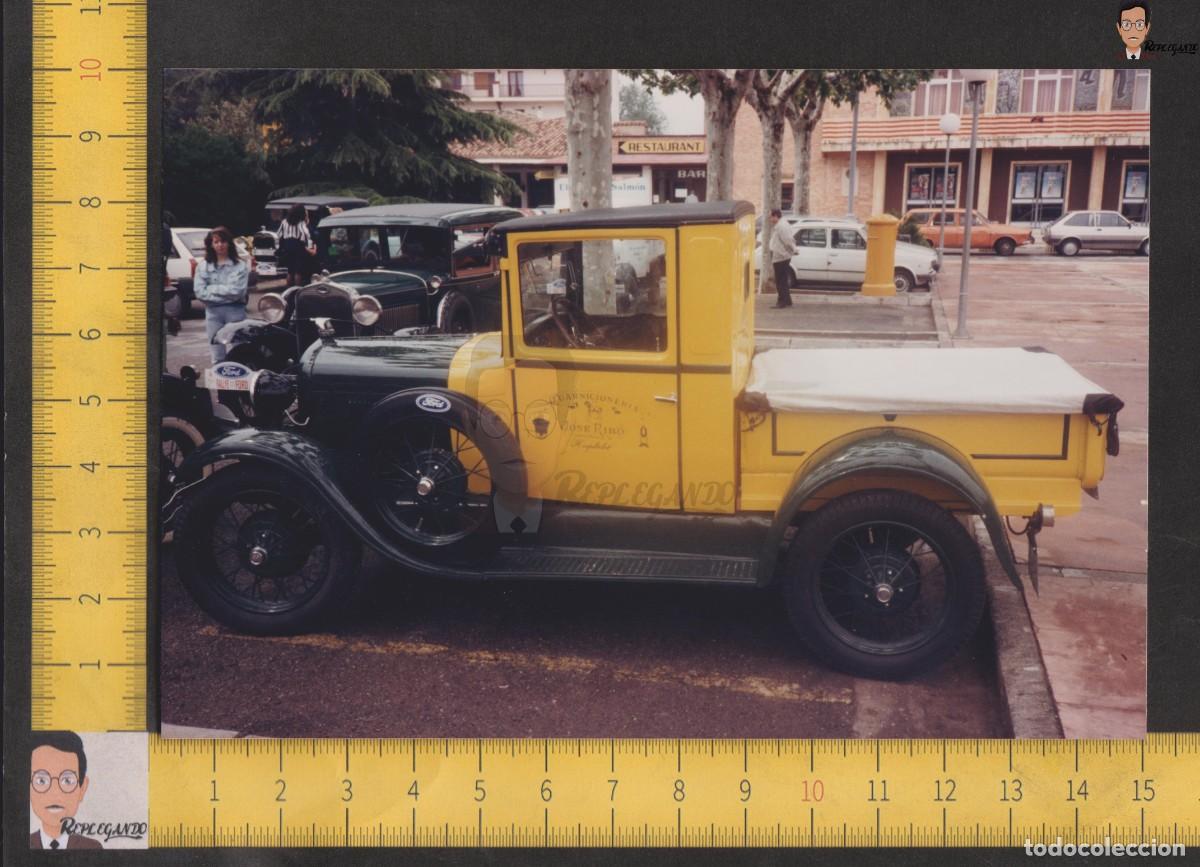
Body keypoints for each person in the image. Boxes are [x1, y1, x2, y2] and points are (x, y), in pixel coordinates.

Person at [30, 731, 103, 849]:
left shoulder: (92, 847)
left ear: (82, 789)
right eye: (41, 781)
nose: (55, 792)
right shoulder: (19, 846)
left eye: (67, 781)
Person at [193, 226, 249, 363]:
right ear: (211, 245)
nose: (220, 245)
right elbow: (199, 292)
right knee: (217, 355)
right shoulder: (203, 266)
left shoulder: (240, 266)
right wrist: (225, 293)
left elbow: (237, 292)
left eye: (223, 241)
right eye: (216, 242)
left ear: (229, 243)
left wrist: (211, 289)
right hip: (213, 314)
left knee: (239, 351)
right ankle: (219, 383)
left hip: (236, 311)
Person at [277, 204, 314, 287]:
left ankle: (288, 290)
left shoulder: (284, 221)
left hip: (287, 246)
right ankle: (297, 291)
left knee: (290, 271)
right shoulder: (300, 223)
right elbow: (306, 235)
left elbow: (279, 234)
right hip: (298, 246)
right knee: (298, 271)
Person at [767, 208, 796, 308]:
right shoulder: (782, 224)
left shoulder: (781, 226)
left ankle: (781, 302)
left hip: (781, 256)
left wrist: (793, 250)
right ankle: (787, 300)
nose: (770, 219)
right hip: (782, 255)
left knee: (780, 280)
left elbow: (787, 240)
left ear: (776, 216)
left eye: (771, 217)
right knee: (783, 279)